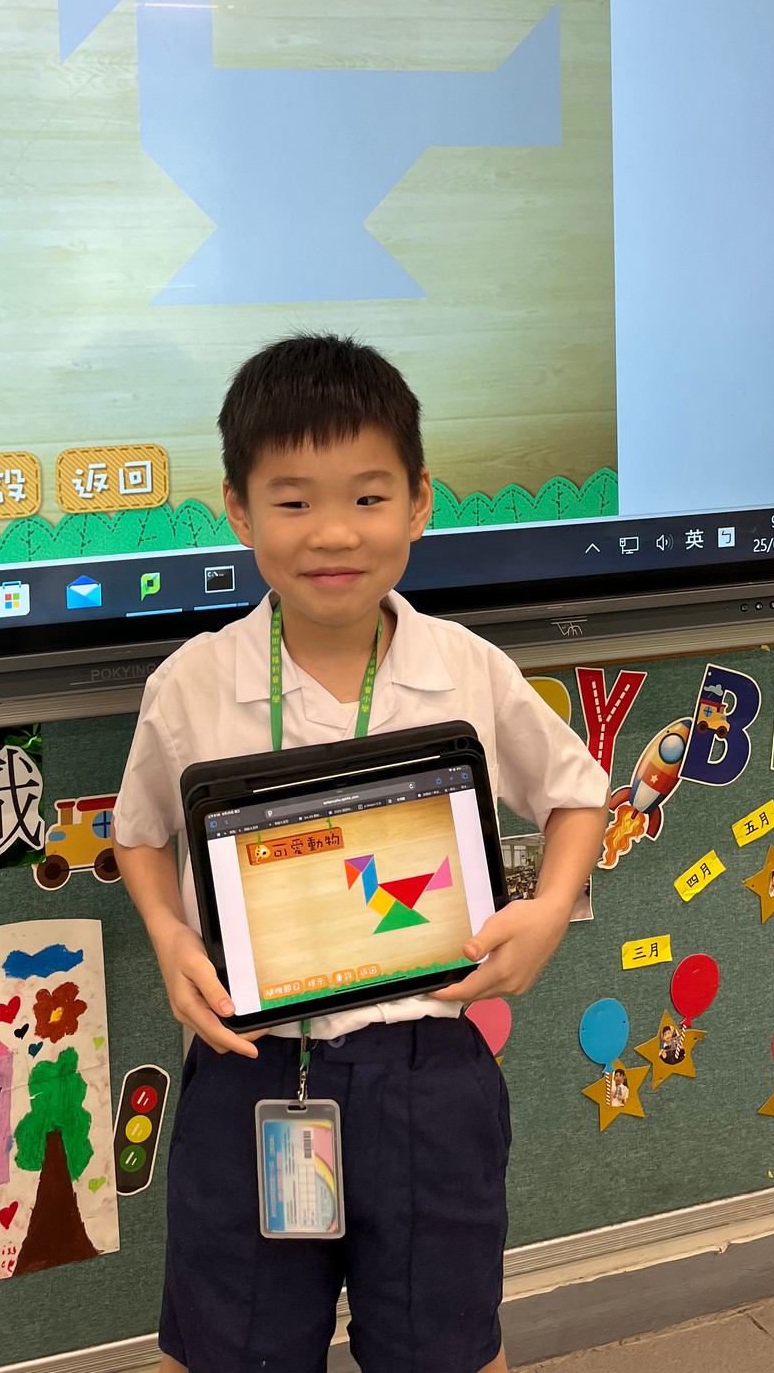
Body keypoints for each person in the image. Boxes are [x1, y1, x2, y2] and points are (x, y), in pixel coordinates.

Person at [114, 335, 608, 1373]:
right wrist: (166, 935)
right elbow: (141, 832)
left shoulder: (466, 667)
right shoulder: (194, 681)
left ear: (420, 502)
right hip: (251, 1071)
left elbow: (577, 794)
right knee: (226, 1350)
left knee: (447, 1349)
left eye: (369, 498)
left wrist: (548, 915)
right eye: (293, 501)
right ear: (239, 510)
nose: (333, 532)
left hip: (428, 1072)